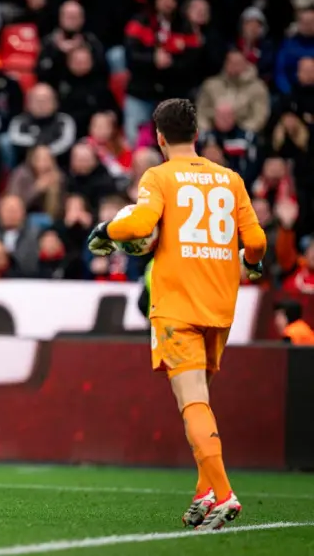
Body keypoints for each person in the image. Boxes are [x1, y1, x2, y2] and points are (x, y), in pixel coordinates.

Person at [86, 98, 267, 531]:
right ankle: (205, 492)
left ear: (160, 138)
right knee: (199, 401)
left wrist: (105, 231)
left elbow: (138, 225)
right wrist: (253, 265)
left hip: (177, 307)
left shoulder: (159, 175)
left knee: (192, 403)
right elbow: (256, 241)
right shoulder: (230, 179)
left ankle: (224, 494)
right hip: (219, 305)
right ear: (197, 135)